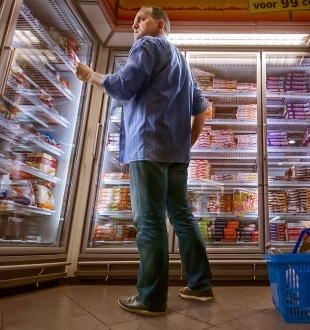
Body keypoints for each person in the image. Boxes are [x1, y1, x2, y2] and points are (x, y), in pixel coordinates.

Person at [75, 5, 213, 316]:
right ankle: (201, 285)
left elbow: (124, 85)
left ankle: (151, 298)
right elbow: (200, 108)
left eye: (142, 18)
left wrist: (90, 75)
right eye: (134, 20)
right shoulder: (182, 62)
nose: (135, 23)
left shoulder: (148, 45)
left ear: (160, 24)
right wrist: (184, 145)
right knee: (181, 216)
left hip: (148, 147)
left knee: (149, 221)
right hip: (175, 154)